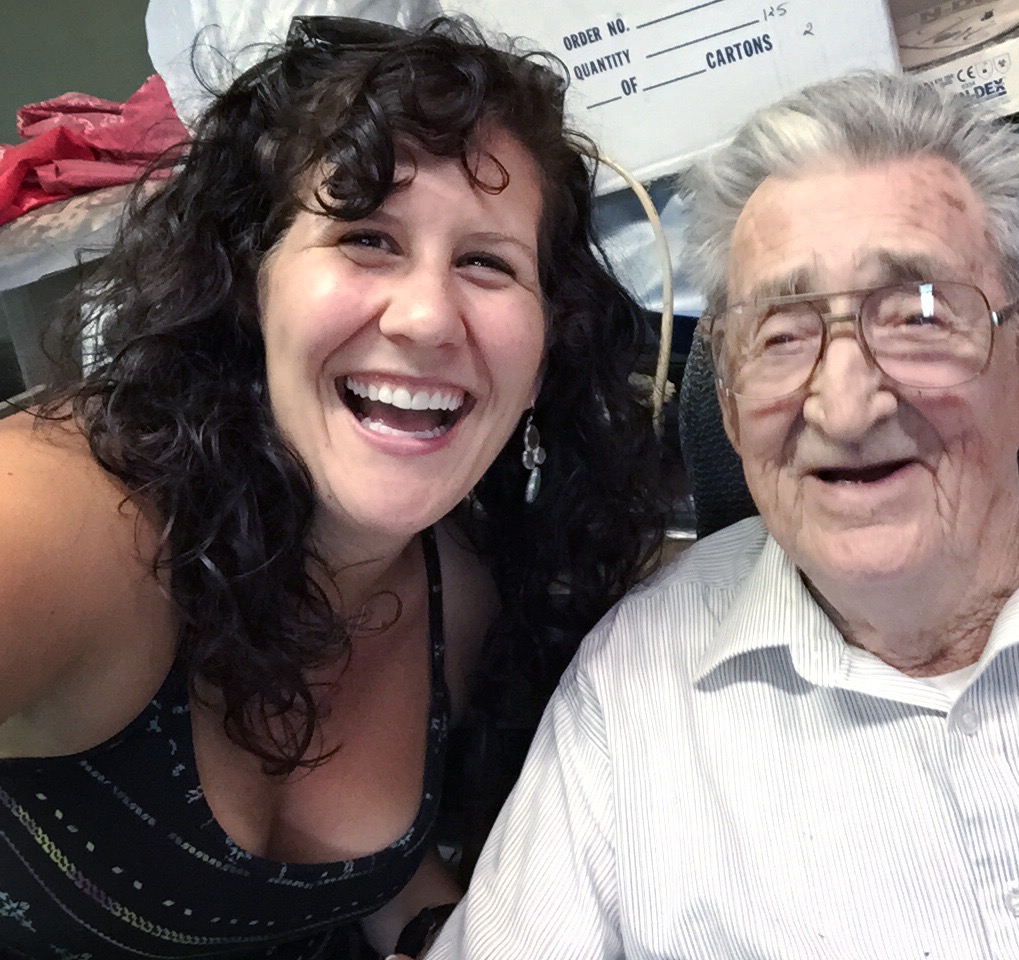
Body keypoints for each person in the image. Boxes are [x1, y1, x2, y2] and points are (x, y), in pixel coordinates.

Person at [426, 70, 1019, 959]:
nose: (845, 407)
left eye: (917, 316)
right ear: (728, 400)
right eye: (782, 334)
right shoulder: (628, 696)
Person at [0, 15, 665, 960]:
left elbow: (362, 885)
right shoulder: (67, 519)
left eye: (486, 262)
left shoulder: (467, 595)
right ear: (250, 286)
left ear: (547, 350)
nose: (427, 317)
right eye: (366, 238)